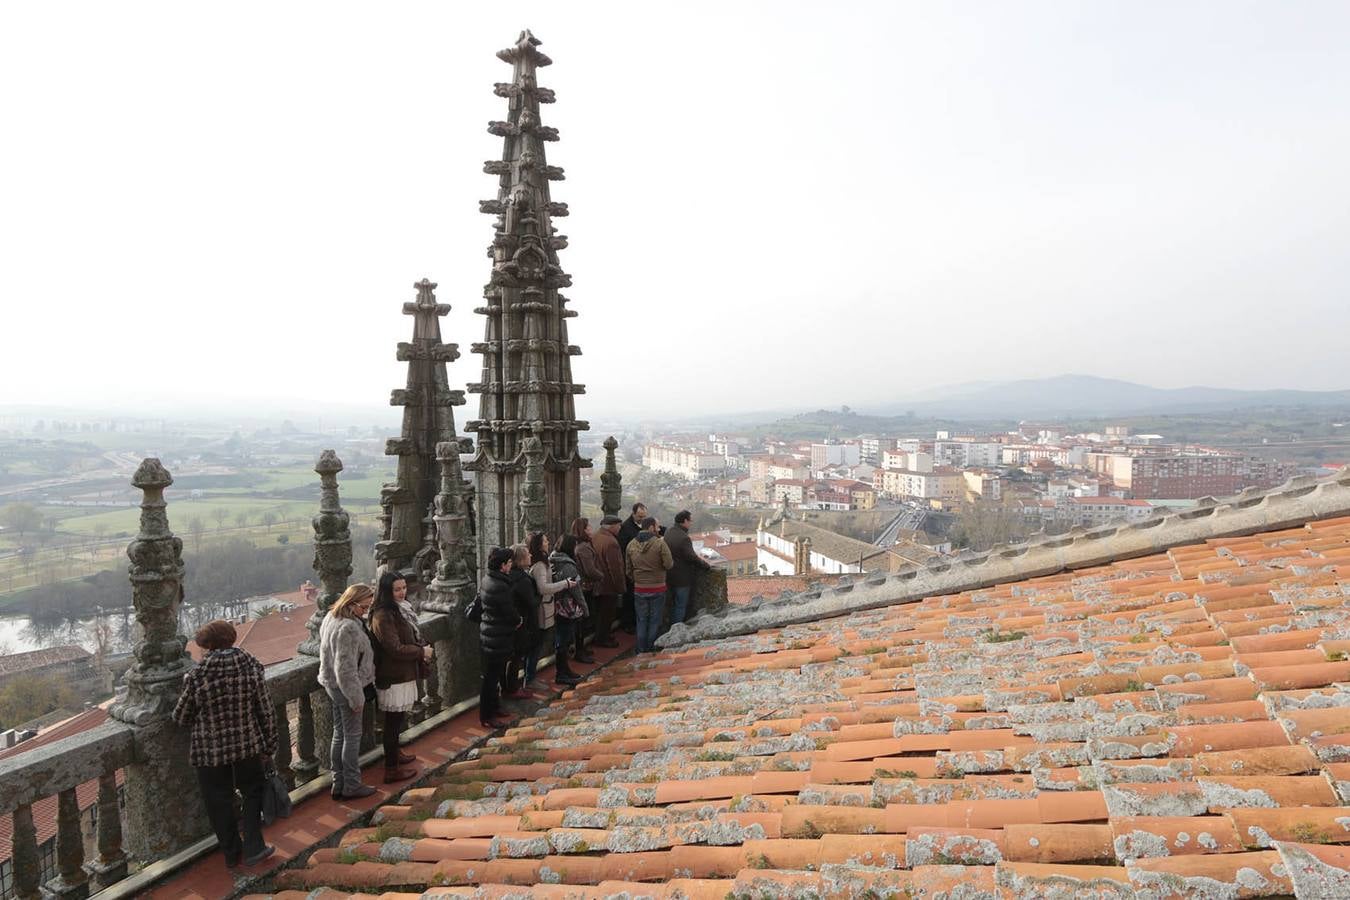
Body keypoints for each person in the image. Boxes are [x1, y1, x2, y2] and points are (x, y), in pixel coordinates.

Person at [173, 619, 278, 869]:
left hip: (211, 752)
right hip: (247, 745)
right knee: (253, 792)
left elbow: (180, 716)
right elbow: (265, 710)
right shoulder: (251, 666)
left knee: (218, 800)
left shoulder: (198, 676)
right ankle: (254, 846)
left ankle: (231, 853)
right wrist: (269, 745)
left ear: (207, 646)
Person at [316, 584, 377, 801]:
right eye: (364, 607)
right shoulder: (348, 628)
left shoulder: (330, 618)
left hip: (331, 685)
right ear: (351, 605)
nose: (366, 612)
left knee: (339, 734)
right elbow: (346, 668)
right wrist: (356, 697)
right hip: (346, 689)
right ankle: (351, 785)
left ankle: (338, 783)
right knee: (352, 737)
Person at [369, 571, 427, 784]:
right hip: (392, 676)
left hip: (401, 673)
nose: (402, 592)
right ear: (386, 591)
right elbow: (394, 648)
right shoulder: (383, 615)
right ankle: (391, 769)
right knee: (392, 723)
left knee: (399, 719)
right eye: (397, 589)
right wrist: (421, 652)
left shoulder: (400, 610)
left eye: (403, 588)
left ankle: (396, 753)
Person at [527, 531, 581, 685]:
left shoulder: (544, 561)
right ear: (539, 545)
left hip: (547, 608)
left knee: (541, 645)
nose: (548, 542)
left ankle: (533, 677)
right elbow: (543, 588)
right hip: (542, 610)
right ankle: (530, 679)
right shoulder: (539, 565)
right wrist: (565, 583)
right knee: (536, 647)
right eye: (545, 540)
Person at [478, 547, 523, 725]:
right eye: (510, 562)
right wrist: (518, 620)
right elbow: (509, 612)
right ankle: (487, 716)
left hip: (491, 634)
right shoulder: (500, 585)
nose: (511, 565)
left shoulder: (488, 579)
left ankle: (494, 707)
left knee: (494, 677)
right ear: (503, 565)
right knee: (491, 679)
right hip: (496, 637)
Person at [625, 516, 673, 653]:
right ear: (651, 527)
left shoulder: (630, 545)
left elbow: (628, 569)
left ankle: (641, 649)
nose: (659, 529)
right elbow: (669, 564)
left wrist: (637, 579)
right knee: (655, 619)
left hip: (639, 588)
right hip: (658, 587)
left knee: (641, 619)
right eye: (657, 526)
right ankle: (651, 647)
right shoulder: (660, 544)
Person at [550, 534, 590, 678]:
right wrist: (585, 608)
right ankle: (562, 672)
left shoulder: (553, 559)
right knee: (564, 640)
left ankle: (563, 670)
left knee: (562, 639)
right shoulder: (567, 565)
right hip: (568, 607)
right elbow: (576, 590)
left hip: (557, 605)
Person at [504, 543, 541, 697]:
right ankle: (512, 688)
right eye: (528, 554)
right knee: (516, 657)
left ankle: (510, 687)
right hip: (520, 623)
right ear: (520, 559)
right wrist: (539, 597)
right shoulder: (522, 580)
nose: (531, 555)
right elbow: (531, 603)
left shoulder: (510, 576)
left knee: (512, 657)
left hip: (513, 623)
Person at [665, 509, 713, 628]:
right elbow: (691, 556)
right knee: (680, 606)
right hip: (682, 578)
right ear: (685, 521)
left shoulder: (669, 532)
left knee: (673, 604)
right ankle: (675, 631)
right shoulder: (684, 538)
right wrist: (705, 565)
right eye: (690, 521)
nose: (691, 523)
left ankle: (669, 629)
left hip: (669, 575)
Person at [569, 517, 604, 663]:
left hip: (584, 586)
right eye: (589, 527)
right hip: (584, 588)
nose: (591, 529)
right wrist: (601, 575)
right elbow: (589, 570)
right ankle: (579, 651)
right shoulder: (583, 548)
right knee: (582, 621)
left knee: (583, 621)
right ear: (583, 530)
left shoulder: (581, 545)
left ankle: (581, 648)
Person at [590, 515, 625, 647]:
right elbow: (615, 568)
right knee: (607, 614)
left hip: (597, 583)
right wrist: (620, 587)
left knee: (600, 613)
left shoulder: (595, 536)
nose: (620, 528)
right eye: (618, 525)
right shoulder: (611, 542)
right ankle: (603, 639)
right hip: (608, 585)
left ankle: (601, 636)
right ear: (612, 526)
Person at [617, 502, 647, 632]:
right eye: (640, 516)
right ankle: (627, 623)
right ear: (633, 514)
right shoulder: (626, 528)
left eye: (644, 516)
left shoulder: (643, 524)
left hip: (640, 568)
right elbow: (623, 549)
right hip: (630, 568)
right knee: (629, 597)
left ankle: (635, 621)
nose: (642, 519)